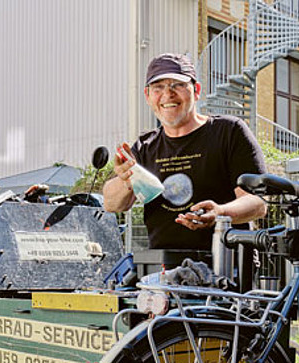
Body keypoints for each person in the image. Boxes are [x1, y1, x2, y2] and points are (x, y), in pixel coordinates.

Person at [103, 52, 267, 250]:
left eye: (178, 85)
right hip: (164, 271)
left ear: (196, 91)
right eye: (158, 87)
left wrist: (220, 213)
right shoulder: (144, 147)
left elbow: (258, 203)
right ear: (148, 96)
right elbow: (112, 204)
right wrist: (125, 179)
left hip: (226, 266)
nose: (168, 94)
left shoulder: (229, 132)